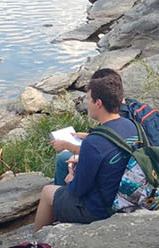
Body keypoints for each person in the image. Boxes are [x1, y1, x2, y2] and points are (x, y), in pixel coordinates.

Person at [34, 69, 140, 230]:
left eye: (89, 99)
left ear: (98, 103)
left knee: (47, 192)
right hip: (122, 197)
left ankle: (37, 239)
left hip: (99, 209)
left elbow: (78, 189)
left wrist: (71, 177)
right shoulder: (130, 126)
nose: (87, 104)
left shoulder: (94, 142)